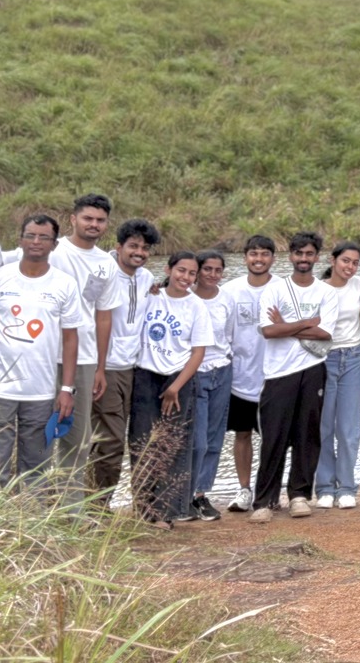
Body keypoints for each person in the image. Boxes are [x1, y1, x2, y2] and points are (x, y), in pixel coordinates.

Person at [0, 214, 86, 490]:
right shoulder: (0, 276)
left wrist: (67, 389)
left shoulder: (64, 284)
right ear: (20, 239)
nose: (36, 242)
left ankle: (31, 523)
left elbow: (71, 338)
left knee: (36, 465)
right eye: (30, 235)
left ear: (54, 244)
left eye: (44, 237)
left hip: (40, 391)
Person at [249, 231, 338, 522]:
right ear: (290, 256)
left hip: (313, 368)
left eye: (309, 254)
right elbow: (268, 331)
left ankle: (299, 495)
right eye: (299, 254)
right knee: (273, 435)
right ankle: (264, 500)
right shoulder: (274, 290)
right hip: (278, 372)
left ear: (317, 257)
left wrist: (286, 325)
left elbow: (325, 333)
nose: (303, 259)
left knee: (307, 434)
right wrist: (304, 324)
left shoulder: (326, 292)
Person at [45, 194, 124, 499]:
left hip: (85, 359)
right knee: (36, 433)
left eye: (100, 220)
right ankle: (31, 507)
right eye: (87, 218)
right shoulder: (51, 249)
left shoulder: (107, 263)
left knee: (77, 438)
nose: (93, 224)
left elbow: (103, 317)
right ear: (73, 219)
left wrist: (101, 367)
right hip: (42, 354)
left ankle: (71, 510)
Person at [130, 252, 213, 530]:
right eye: (181, 270)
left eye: (191, 273)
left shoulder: (196, 306)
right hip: (145, 376)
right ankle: (143, 509)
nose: (185, 278)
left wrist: (176, 387)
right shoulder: (149, 294)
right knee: (143, 443)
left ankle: (166, 511)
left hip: (179, 379)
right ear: (168, 269)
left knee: (172, 445)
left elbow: (198, 352)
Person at [94, 218, 162, 499]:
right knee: (109, 440)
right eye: (133, 246)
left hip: (134, 368)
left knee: (130, 437)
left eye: (145, 248)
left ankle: (105, 503)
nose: (139, 252)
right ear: (118, 246)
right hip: (106, 368)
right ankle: (96, 506)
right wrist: (98, 368)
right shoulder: (103, 273)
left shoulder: (146, 278)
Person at [224, 235, 276, 513]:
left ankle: (270, 491)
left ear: (273, 259)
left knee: (275, 437)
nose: (259, 259)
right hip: (240, 378)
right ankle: (244, 490)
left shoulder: (283, 287)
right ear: (245, 257)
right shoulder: (230, 290)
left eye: (265, 254)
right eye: (254, 254)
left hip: (276, 377)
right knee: (242, 434)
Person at [314, 241, 360, 510]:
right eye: (346, 260)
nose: (350, 267)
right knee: (323, 426)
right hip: (324, 359)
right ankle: (324, 486)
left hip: (353, 358)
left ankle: (346, 486)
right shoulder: (317, 289)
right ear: (333, 260)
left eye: (355, 262)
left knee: (348, 429)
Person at [185, 251, 234, 521]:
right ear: (197, 271)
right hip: (194, 372)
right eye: (207, 269)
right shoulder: (186, 297)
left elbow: (230, 336)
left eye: (218, 270)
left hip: (222, 371)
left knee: (215, 439)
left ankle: (201, 495)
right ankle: (184, 494)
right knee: (197, 440)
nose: (212, 275)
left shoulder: (226, 299)